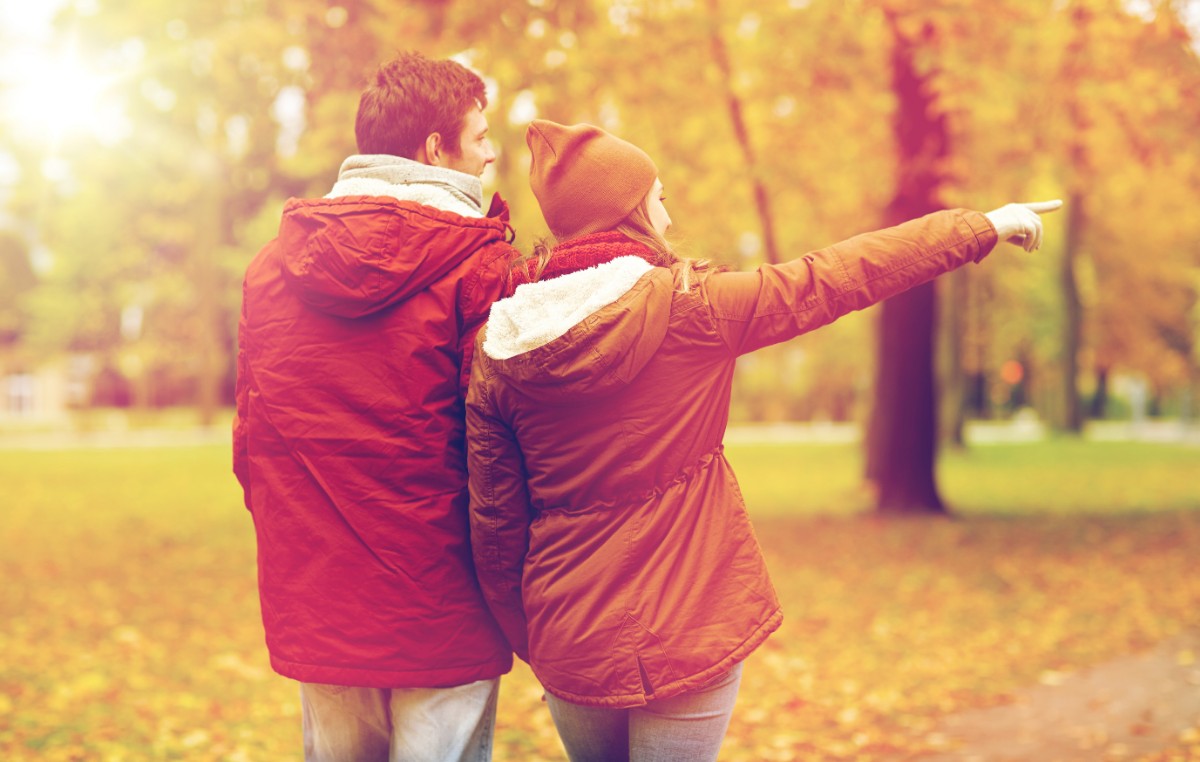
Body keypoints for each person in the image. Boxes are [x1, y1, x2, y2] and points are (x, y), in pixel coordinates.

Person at [465, 119, 1060, 761]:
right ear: (631, 213)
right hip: (688, 625)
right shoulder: (692, 310)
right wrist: (981, 226)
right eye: (658, 199)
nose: (667, 218)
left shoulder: (499, 351)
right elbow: (836, 275)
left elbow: (496, 528)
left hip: (572, 638)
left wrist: (539, 637)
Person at [233, 52, 519, 762]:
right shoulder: (478, 266)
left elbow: (253, 445)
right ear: (435, 149)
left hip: (321, 593)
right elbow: (505, 443)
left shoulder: (271, 268)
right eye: (480, 135)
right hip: (446, 599)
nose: (491, 153)